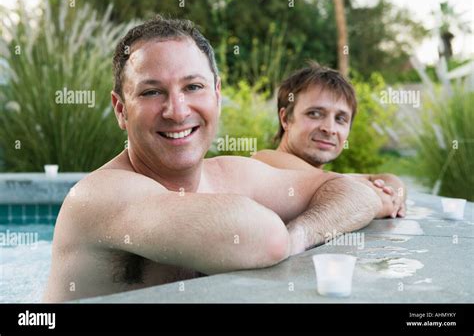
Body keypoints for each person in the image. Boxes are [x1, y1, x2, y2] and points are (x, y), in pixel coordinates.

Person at [43, 17, 395, 302]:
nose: (177, 111)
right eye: (152, 92)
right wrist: (287, 234)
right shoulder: (100, 196)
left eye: (193, 87)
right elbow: (267, 238)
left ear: (217, 95)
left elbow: (353, 192)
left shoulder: (231, 173)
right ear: (121, 110)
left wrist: (302, 233)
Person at [253, 62, 406, 218]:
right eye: (315, 114)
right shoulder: (265, 161)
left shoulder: (323, 179)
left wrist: (394, 193)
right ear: (285, 119)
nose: (330, 128)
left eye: (340, 119)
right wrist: (381, 196)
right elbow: (370, 198)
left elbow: (385, 179)